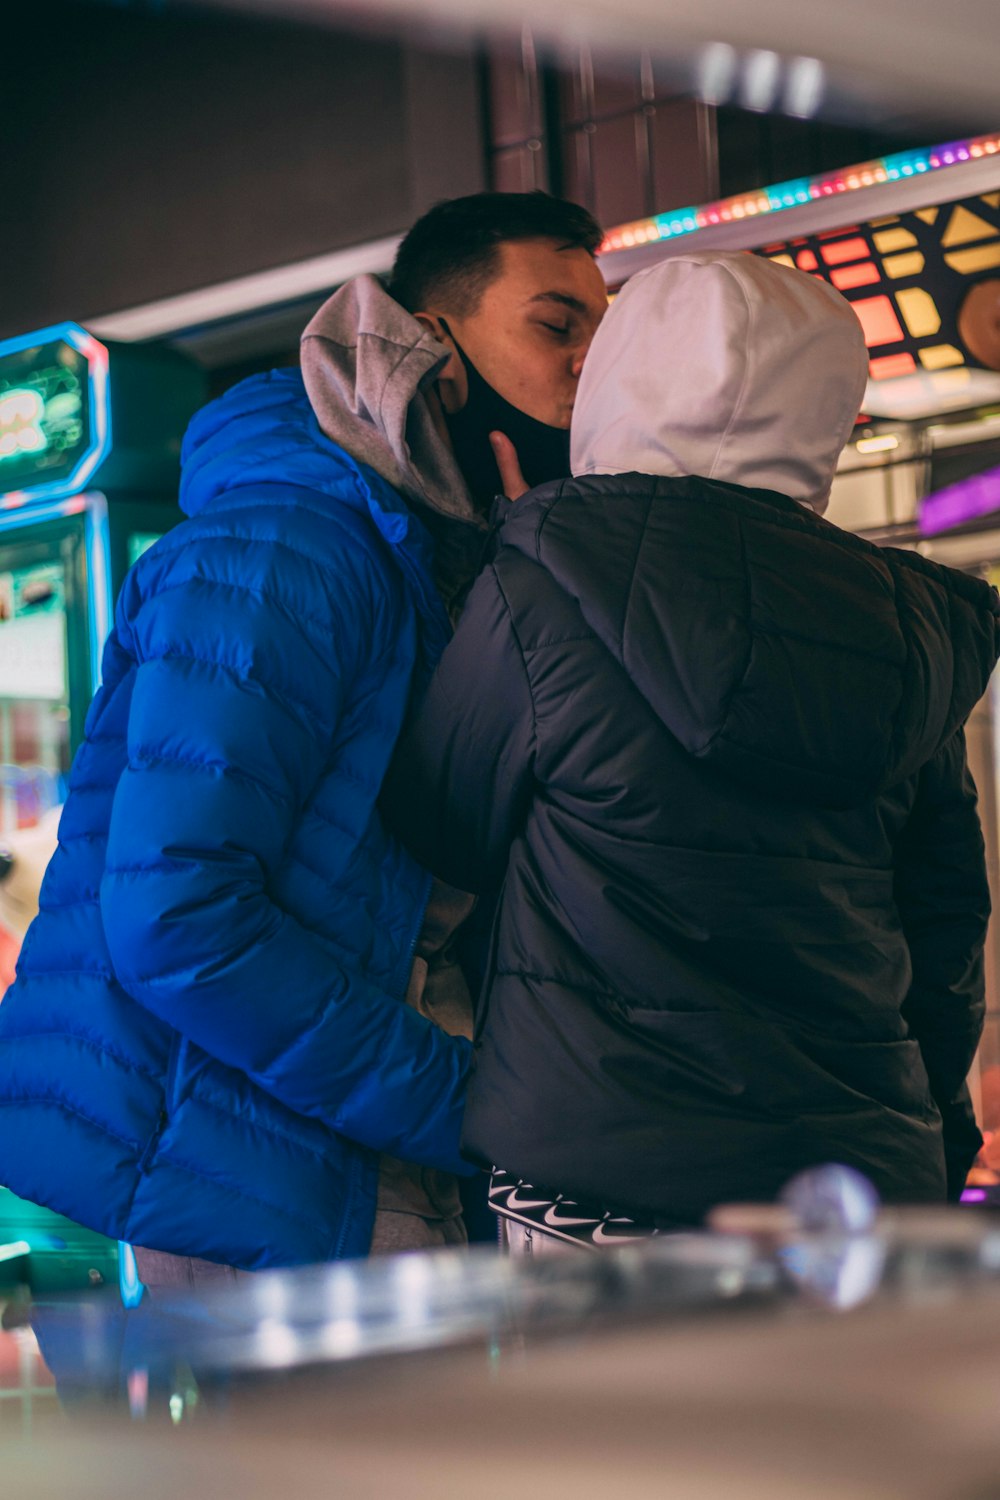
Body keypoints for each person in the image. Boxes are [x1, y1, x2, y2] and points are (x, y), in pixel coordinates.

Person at [0, 192, 607, 1279]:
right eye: (556, 326)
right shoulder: (293, 546)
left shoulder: (423, 558)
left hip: (316, 1140)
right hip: (242, 1165)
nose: (588, 365)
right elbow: (177, 911)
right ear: (435, 352)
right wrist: (467, 1108)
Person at [382, 250, 1000, 1249]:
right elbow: (942, 925)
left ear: (625, 378)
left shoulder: (541, 583)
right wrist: (936, 1136)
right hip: (848, 1192)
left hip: (596, 1166)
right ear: (827, 411)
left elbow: (437, 822)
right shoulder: (908, 626)